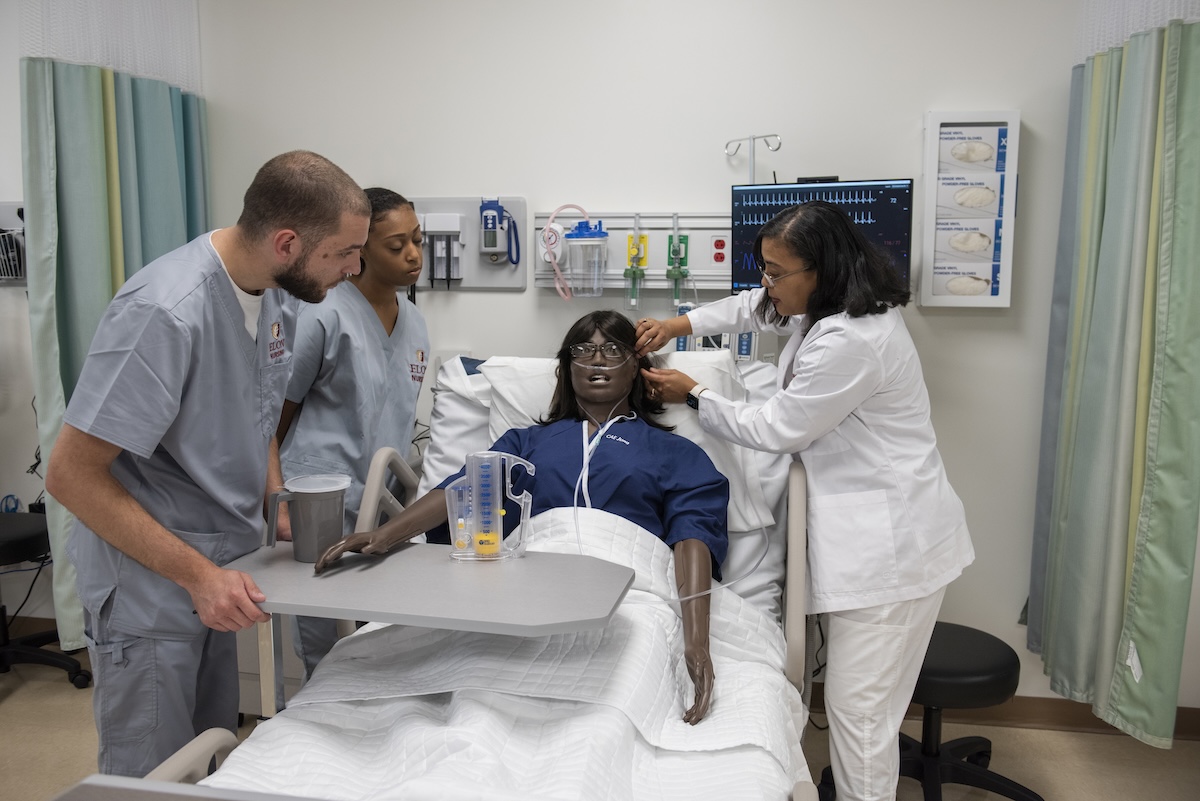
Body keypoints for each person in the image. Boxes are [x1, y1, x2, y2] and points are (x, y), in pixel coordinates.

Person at [44, 150, 370, 777]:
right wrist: (198, 576)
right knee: (151, 773)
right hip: (154, 588)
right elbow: (71, 475)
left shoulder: (273, 295)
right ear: (286, 242)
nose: (354, 268)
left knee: (210, 756)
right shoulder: (165, 313)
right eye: (343, 252)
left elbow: (260, 413)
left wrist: (278, 505)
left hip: (220, 574)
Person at [637, 201, 975, 801]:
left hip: (893, 547)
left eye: (775, 271)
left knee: (859, 716)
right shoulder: (822, 304)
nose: (766, 284)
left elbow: (777, 429)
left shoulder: (853, 338)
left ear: (820, 269)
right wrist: (679, 326)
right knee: (866, 711)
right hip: (882, 534)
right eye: (763, 269)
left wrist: (696, 396)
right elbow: (752, 306)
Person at [315, 310, 730, 724]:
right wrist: (384, 535)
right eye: (583, 350)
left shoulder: (674, 452)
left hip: (630, 596)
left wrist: (696, 640)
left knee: (610, 706)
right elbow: (465, 488)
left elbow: (693, 533)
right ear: (566, 370)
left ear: (639, 368)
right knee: (478, 702)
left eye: (613, 350)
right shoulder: (527, 443)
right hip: (530, 591)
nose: (597, 360)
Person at [272, 187, 430, 678]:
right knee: (323, 650)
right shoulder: (321, 313)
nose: (413, 255)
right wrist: (276, 499)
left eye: (418, 240)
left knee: (373, 645)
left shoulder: (417, 325)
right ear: (360, 249)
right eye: (396, 244)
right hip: (317, 506)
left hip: (379, 511)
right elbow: (272, 418)